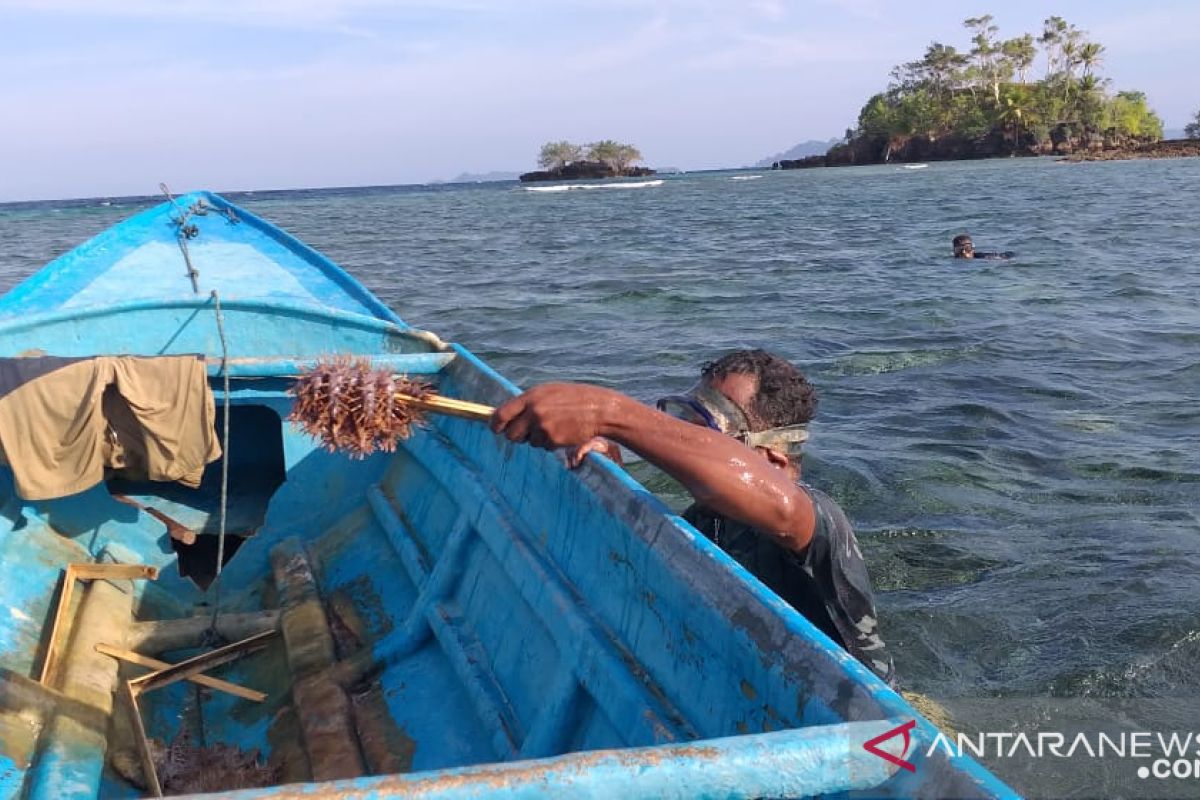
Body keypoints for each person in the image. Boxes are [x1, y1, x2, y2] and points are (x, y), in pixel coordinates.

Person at [491, 349, 896, 685]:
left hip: (865, 725)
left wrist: (607, 412)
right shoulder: (706, 521)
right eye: (683, 419)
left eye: (704, 430)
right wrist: (614, 479)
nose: (681, 437)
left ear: (771, 458)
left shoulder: (815, 519)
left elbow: (784, 509)